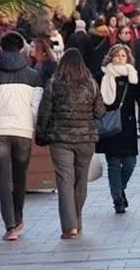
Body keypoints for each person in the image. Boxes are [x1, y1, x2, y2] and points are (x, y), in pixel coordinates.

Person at [0, 32, 44, 241]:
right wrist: (30, 126)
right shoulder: (33, 75)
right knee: (20, 176)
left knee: (4, 178)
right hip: (23, 131)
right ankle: (19, 217)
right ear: (22, 48)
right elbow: (36, 107)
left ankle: (10, 226)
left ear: (1, 48)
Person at [35, 49, 106, 239]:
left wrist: (41, 135)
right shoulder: (91, 84)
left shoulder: (54, 83)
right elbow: (100, 111)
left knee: (65, 181)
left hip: (61, 139)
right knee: (81, 180)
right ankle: (78, 220)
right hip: (86, 138)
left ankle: (69, 226)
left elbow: (45, 112)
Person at [96, 44, 140, 214]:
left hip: (127, 127)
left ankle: (120, 190)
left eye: (123, 56)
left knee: (130, 163)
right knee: (113, 164)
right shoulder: (103, 76)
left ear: (128, 58)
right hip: (110, 126)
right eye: (117, 55)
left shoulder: (133, 77)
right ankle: (118, 200)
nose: (120, 58)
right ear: (111, 57)